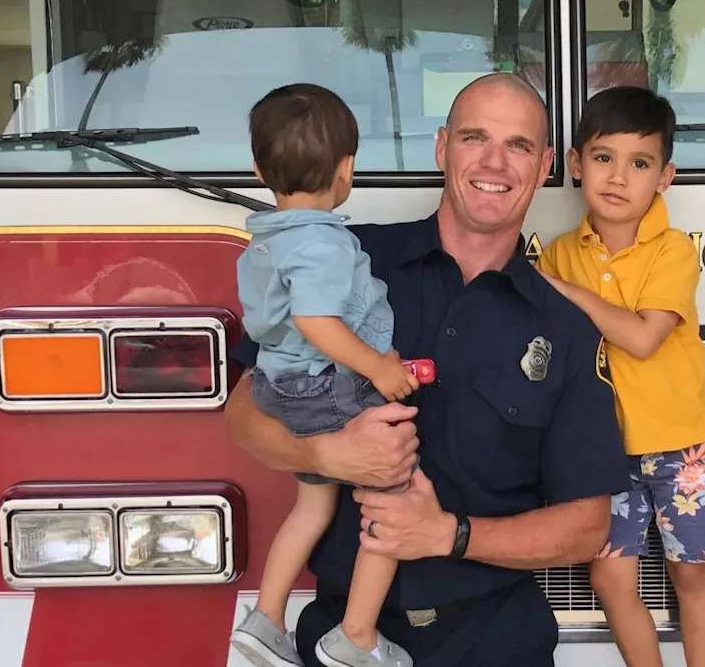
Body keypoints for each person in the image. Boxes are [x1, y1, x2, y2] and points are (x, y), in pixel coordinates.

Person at [225, 72, 633, 667]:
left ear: (546, 166)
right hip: (337, 632)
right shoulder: (349, 261)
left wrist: (449, 534)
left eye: (518, 145)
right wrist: (324, 456)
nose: (494, 162)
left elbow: (587, 527)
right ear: (443, 148)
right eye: (475, 138)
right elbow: (241, 416)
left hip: (496, 639)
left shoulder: (567, 327)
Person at [536, 86, 705, 667]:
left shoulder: (673, 250)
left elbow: (644, 338)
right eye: (602, 158)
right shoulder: (560, 253)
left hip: (684, 445)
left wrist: (563, 291)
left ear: (665, 176)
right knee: (609, 579)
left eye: (640, 162)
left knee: (694, 575)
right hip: (602, 452)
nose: (618, 177)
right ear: (575, 165)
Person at [228, 83, 420, 667]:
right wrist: (379, 367)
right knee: (396, 499)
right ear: (347, 170)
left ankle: (265, 618)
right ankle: (355, 638)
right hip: (324, 385)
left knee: (312, 508)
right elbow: (317, 320)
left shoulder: (264, 240)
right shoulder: (322, 243)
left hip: (279, 386)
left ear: (260, 169)